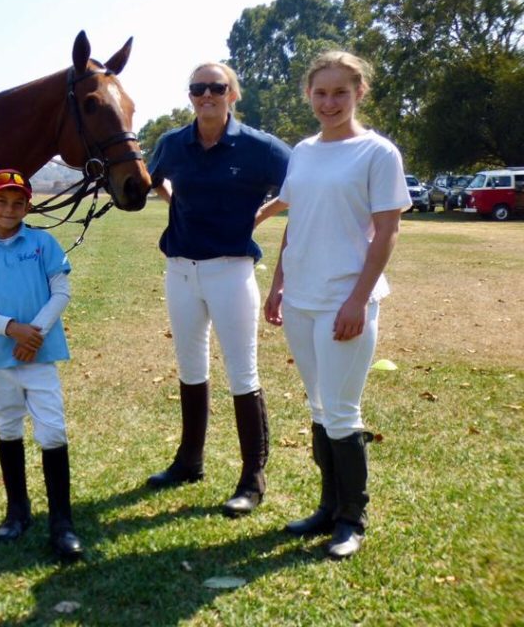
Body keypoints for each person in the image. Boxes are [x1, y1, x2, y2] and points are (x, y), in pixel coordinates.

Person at [263, 51, 411, 559]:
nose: (329, 103)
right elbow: (295, 220)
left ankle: (353, 518)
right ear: (308, 95)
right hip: (301, 298)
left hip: (346, 299)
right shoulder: (302, 151)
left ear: (359, 94)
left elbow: (387, 232)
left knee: (343, 411)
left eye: (340, 93)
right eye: (320, 93)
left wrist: (358, 297)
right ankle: (328, 508)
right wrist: (278, 284)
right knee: (319, 407)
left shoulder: (377, 153)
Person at [146, 62, 291, 517]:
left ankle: (252, 477)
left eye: (216, 87)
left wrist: (261, 215)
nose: (206, 94)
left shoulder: (260, 147)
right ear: (190, 95)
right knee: (190, 367)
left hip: (231, 271)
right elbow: (150, 180)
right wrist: (177, 201)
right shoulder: (173, 143)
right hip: (181, 269)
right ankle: (189, 461)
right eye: (197, 88)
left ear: (233, 94)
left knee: (242, 372)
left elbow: (300, 185)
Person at [0, 168, 84, 563]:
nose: (9, 209)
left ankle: (61, 522)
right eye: (1, 201)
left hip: (40, 354)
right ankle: (18, 511)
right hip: (2, 357)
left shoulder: (43, 243)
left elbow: (61, 290)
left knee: (52, 431)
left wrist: (36, 333)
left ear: (28, 206)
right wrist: (10, 329)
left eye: (17, 202)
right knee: (7, 426)